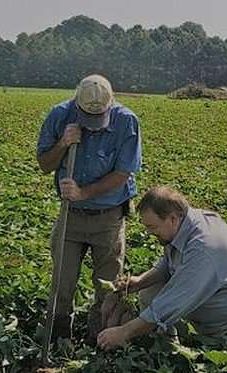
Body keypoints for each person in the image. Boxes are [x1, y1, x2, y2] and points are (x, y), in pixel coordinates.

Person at [97, 186, 227, 351]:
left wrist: (124, 332)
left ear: (172, 218)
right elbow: (169, 261)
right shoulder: (186, 223)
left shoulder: (204, 249)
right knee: (150, 290)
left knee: (217, 364)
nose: (150, 233)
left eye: (152, 227)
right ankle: (164, 346)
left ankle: (168, 350)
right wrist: (141, 281)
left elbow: (170, 304)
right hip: (210, 313)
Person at [37, 74, 142, 341]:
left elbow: (122, 174)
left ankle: (100, 341)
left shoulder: (127, 122)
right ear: (77, 104)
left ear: (110, 105)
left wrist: (84, 192)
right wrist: (63, 143)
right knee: (62, 281)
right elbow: (45, 164)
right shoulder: (60, 115)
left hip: (108, 218)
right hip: (70, 216)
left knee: (107, 287)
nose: (93, 127)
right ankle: (60, 337)